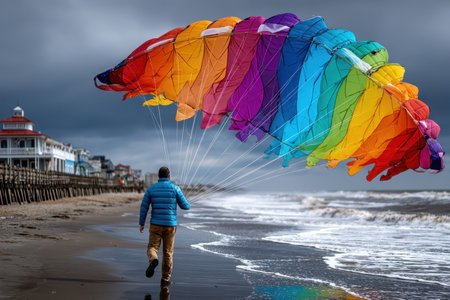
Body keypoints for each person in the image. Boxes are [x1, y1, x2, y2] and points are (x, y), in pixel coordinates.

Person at [139, 166, 190, 287]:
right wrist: (188, 203)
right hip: (170, 225)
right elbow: (185, 206)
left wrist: (141, 223)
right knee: (168, 252)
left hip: (155, 224)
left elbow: (144, 207)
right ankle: (165, 279)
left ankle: (153, 260)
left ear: (158, 176)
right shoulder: (175, 188)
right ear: (169, 176)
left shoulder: (151, 189)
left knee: (152, 247)